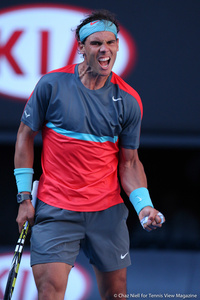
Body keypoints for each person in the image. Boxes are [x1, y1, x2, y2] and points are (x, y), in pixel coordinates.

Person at [14, 9, 165, 300]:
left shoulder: (129, 100)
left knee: (117, 294)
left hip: (106, 211)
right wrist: (24, 198)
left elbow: (130, 162)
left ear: (118, 46)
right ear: (81, 48)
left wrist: (144, 205)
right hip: (55, 208)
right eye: (96, 43)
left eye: (111, 42)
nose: (104, 49)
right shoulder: (52, 85)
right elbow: (24, 136)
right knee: (49, 290)